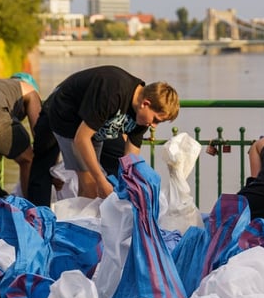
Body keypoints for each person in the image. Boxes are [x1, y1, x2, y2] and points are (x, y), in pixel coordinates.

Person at [43, 65, 180, 199]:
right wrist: (100, 180)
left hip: (93, 126)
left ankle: (87, 215)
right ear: (145, 103)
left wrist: (132, 185)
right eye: (156, 120)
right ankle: (82, 218)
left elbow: (130, 157)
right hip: (67, 117)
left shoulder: (143, 116)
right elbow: (81, 139)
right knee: (91, 183)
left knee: (97, 185)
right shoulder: (113, 92)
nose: (154, 126)